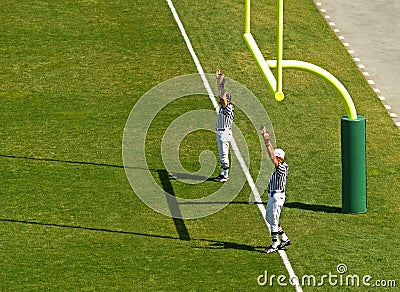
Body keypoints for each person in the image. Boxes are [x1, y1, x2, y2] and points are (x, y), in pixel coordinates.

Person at [260, 126, 292, 253]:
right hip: (273, 195)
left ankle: (274, 244)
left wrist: (267, 142)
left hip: (277, 196)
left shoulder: (282, 167)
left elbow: (272, 157)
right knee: (269, 218)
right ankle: (284, 238)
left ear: (280, 158)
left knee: (273, 220)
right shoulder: (280, 167)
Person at [213, 68, 234, 182]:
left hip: (224, 132)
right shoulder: (225, 108)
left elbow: (222, 97)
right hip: (221, 132)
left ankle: (225, 175)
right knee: (222, 154)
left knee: (224, 154)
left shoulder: (228, 108)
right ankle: (223, 173)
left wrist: (220, 83)